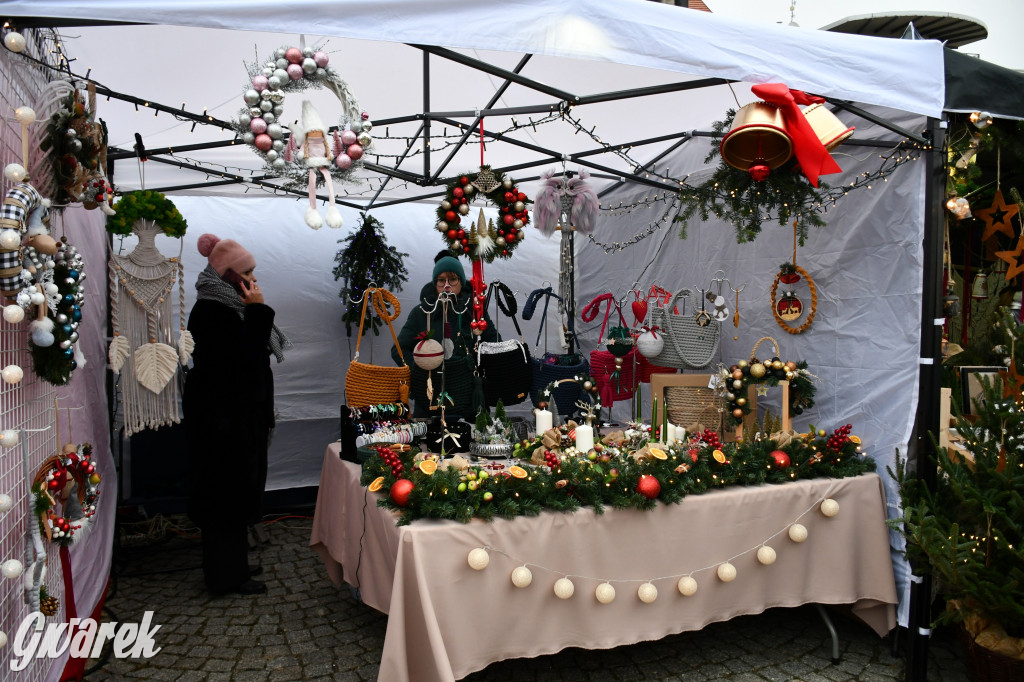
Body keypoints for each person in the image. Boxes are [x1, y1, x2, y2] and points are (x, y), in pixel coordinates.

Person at [183, 233, 288, 596]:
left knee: (237, 495)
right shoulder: (212, 310)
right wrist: (258, 310)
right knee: (225, 499)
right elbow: (242, 358)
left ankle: (235, 564)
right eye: (248, 273)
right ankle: (226, 577)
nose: (254, 280)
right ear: (229, 275)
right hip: (222, 425)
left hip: (234, 420)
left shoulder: (227, 304)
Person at [392, 254, 497, 419]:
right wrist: (418, 369)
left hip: (468, 398)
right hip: (429, 398)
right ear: (435, 284)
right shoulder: (421, 313)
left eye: (453, 279)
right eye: (441, 280)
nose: (447, 285)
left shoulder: (476, 311)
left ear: (461, 282)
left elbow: (494, 342)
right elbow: (398, 349)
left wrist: (478, 368)